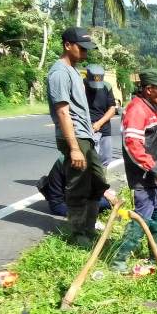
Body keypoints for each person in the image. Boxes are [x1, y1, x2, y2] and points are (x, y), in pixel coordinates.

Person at [47, 27, 111, 248]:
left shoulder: (74, 71)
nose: (85, 53)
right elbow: (63, 112)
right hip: (75, 137)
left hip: (86, 136)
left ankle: (88, 227)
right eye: (81, 48)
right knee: (78, 186)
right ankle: (78, 234)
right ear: (67, 45)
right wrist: (74, 147)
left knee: (98, 182)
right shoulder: (59, 73)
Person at [111, 68, 157, 273]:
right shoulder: (136, 110)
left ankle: (156, 256)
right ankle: (119, 260)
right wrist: (155, 169)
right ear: (149, 89)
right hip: (145, 176)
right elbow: (133, 145)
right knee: (142, 219)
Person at [36, 158, 116, 217]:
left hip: (68, 194)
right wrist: (105, 194)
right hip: (59, 204)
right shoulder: (75, 162)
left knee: (106, 199)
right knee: (104, 203)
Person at [84, 64, 117, 167]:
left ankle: (101, 181)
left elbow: (112, 109)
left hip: (104, 128)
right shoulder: (80, 86)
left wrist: (99, 123)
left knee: (106, 159)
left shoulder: (107, 86)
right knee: (88, 160)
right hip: (87, 128)